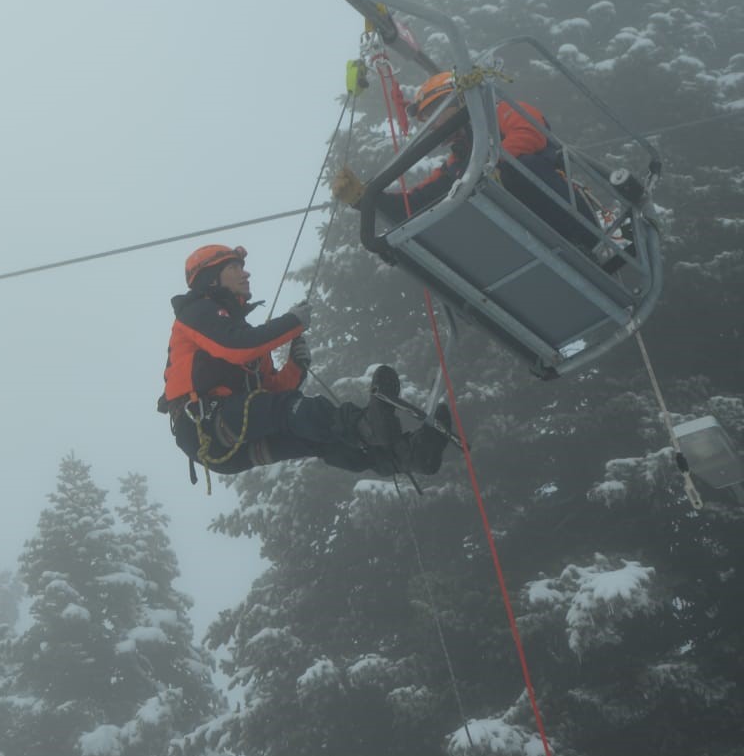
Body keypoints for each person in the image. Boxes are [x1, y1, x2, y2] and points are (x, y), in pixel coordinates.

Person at [158, 244, 449, 481]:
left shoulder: (238, 332)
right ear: (211, 279)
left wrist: (295, 366)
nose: (246, 273)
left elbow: (274, 390)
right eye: (234, 268)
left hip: (228, 443)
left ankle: (404, 456)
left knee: (317, 437)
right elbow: (238, 348)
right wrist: (292, 322)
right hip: (205, 426)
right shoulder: (197, 312)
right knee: (291, 410)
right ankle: (365, 425)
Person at [331, 72, 598, 249]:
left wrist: (487, 168)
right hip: (523, 240)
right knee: (447, 213)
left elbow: (530, 133)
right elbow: (414, 204)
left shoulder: (501, 114)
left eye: (436, 113)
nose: (434, 125)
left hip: (567, 217)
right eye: (428, 120)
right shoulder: (457, 165)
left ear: (459, 100)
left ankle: (579, 240)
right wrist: (365, 199)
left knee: (519, 169)